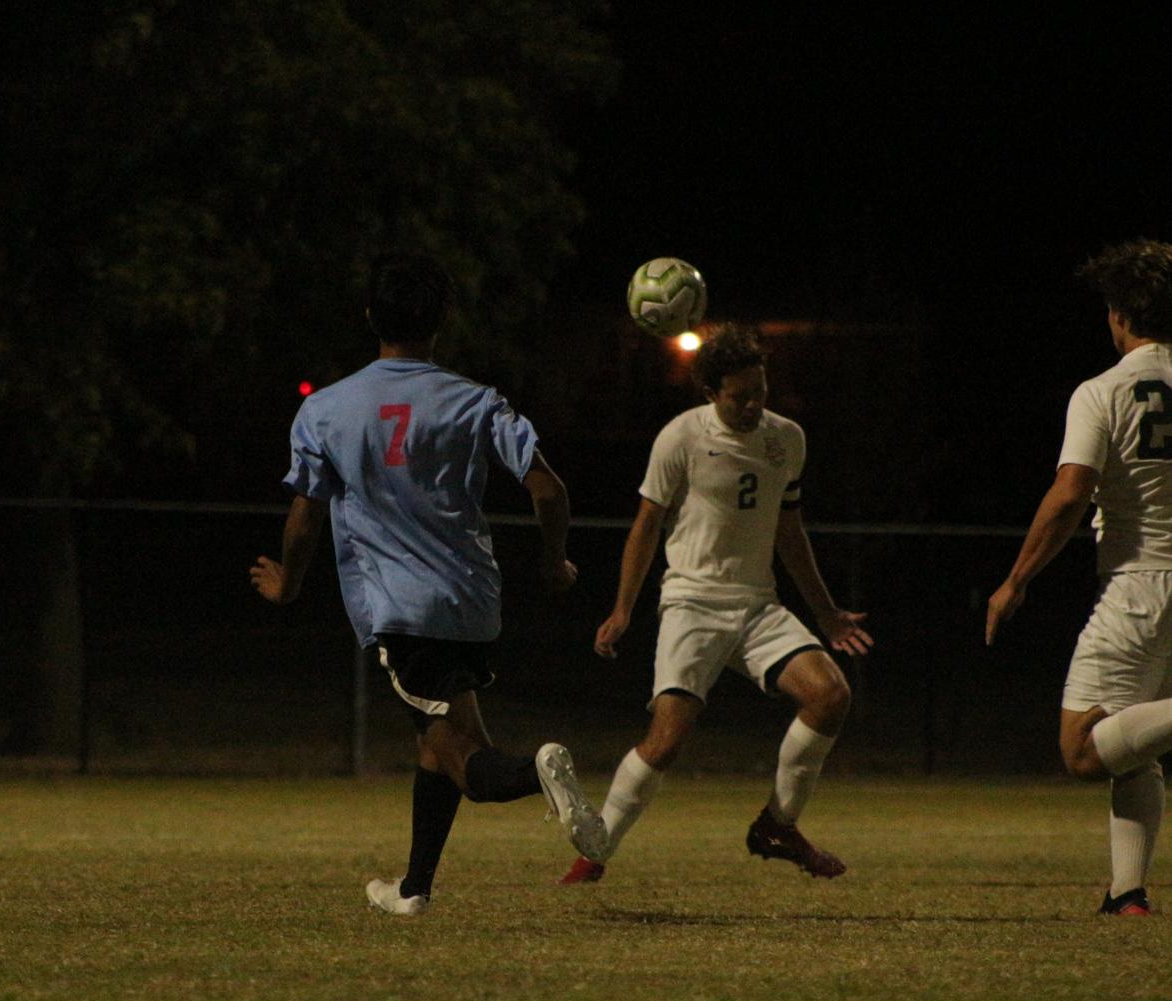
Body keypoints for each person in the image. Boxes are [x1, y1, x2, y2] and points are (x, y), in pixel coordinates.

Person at [250, 252, 608, 916]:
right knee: (432, 740)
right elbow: (548, 489)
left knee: (457, 749)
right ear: (442, 320)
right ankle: (414, 887)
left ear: (368, 317)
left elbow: (305, 515)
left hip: (399, 608)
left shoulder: (326, 409)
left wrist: (289, 585)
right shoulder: (475, 401)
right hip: (472, 601)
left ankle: (536, 768)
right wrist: (554, 560)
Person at [558, 325, 872, 886]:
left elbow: (789, 531)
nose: (753, 404)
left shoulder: (787, 439)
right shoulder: (679, 438)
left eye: (760, 391)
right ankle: (595, 852)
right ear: (709, 391)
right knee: (668, 738)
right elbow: (645, 526)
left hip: (757, 605)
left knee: (830, 696)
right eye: (739, 395)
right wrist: (623, 609)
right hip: (692, 604)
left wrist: (824, 611)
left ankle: (779, 824)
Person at [986, 238, 1172, 916]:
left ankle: (1127, 891)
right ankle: (1127, 893)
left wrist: (1014, 580)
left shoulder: (1104, 389)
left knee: (1084, 746)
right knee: (1133, 744)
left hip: (1140, 583)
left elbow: (1069, 493)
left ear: (1120, 314)